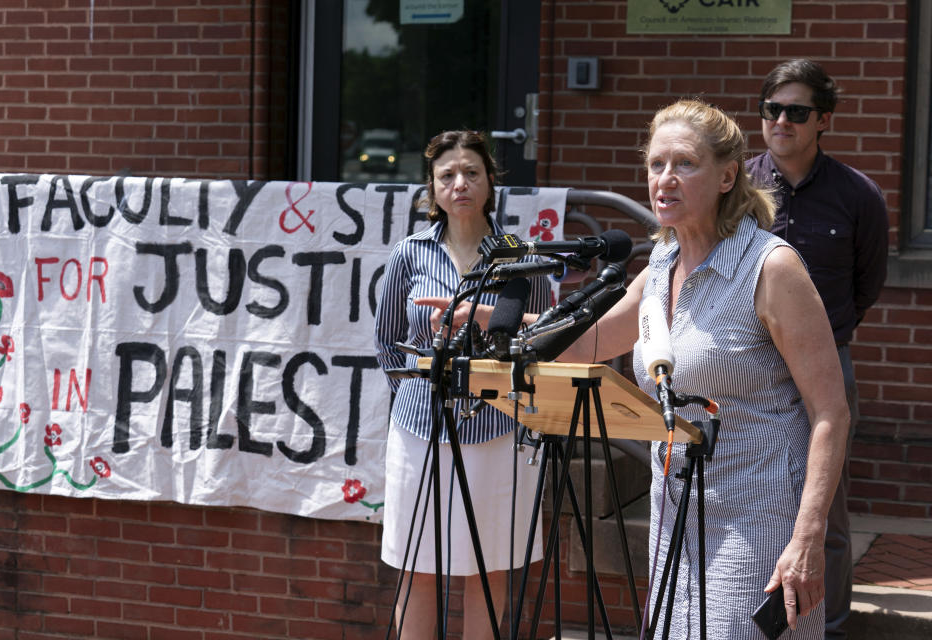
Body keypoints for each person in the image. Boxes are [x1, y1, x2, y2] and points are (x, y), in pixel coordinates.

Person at [554, 100, 850, 638]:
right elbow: (590, 340)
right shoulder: (661, 263)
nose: (664, 179)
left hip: (759, 513)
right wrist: (488, 320)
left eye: (684, 163)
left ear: (727, 176)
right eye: (655, 165)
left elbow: (831, 411)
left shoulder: (770, 266)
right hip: (676, 511)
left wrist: (808, 534)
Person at [373, 130, 550, 639]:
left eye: (472, 172)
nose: (460, 184)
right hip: (419, 429)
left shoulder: (519, 253)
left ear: (490, 183)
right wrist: (419, 395)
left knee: (489, 567)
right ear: (432, 188)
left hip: (498, 428)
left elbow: (543, 331)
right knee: (418, 565)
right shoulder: (409, 253)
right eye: (447, 175)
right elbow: (388, 343)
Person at [746, 59, 889, 639]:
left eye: (797, 111)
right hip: (748, 367)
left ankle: (827, 625)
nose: (781, 121)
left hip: (825, 369)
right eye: (772, 109)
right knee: (744, 493)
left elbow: (867, 282)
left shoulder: (858, 195)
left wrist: (826, 337)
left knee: (824, 507)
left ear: (823, 119)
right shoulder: (737, 185)